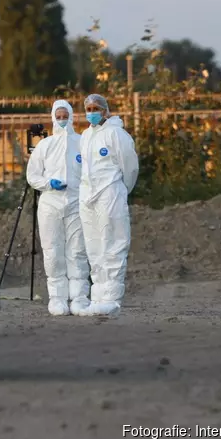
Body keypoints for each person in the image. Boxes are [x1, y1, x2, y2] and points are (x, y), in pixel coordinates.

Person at [26, 100, 91, 316]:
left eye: (66, 115)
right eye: (59, 116)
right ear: (53, 118)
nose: (62, 120)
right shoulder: (45, 146)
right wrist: (48, 183)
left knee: (77, 251)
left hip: (76, 202)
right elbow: (32, 175)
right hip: (50, 203)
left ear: (72, 116)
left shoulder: (82, 143)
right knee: (53, 251)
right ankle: (57, 298)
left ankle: (80, 297)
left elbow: (92, 172)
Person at [79, 94, 139, 316]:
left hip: (110, 193)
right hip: (88, 197)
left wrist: (120, 190)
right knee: (94, 247)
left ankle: (112, 298)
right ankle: (98, 297)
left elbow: (130, 168)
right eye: (89, 108)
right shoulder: (85, 136)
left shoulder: (117, 134)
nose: (92, 112)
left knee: (112, 243)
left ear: (105, 110)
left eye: (96, 108)